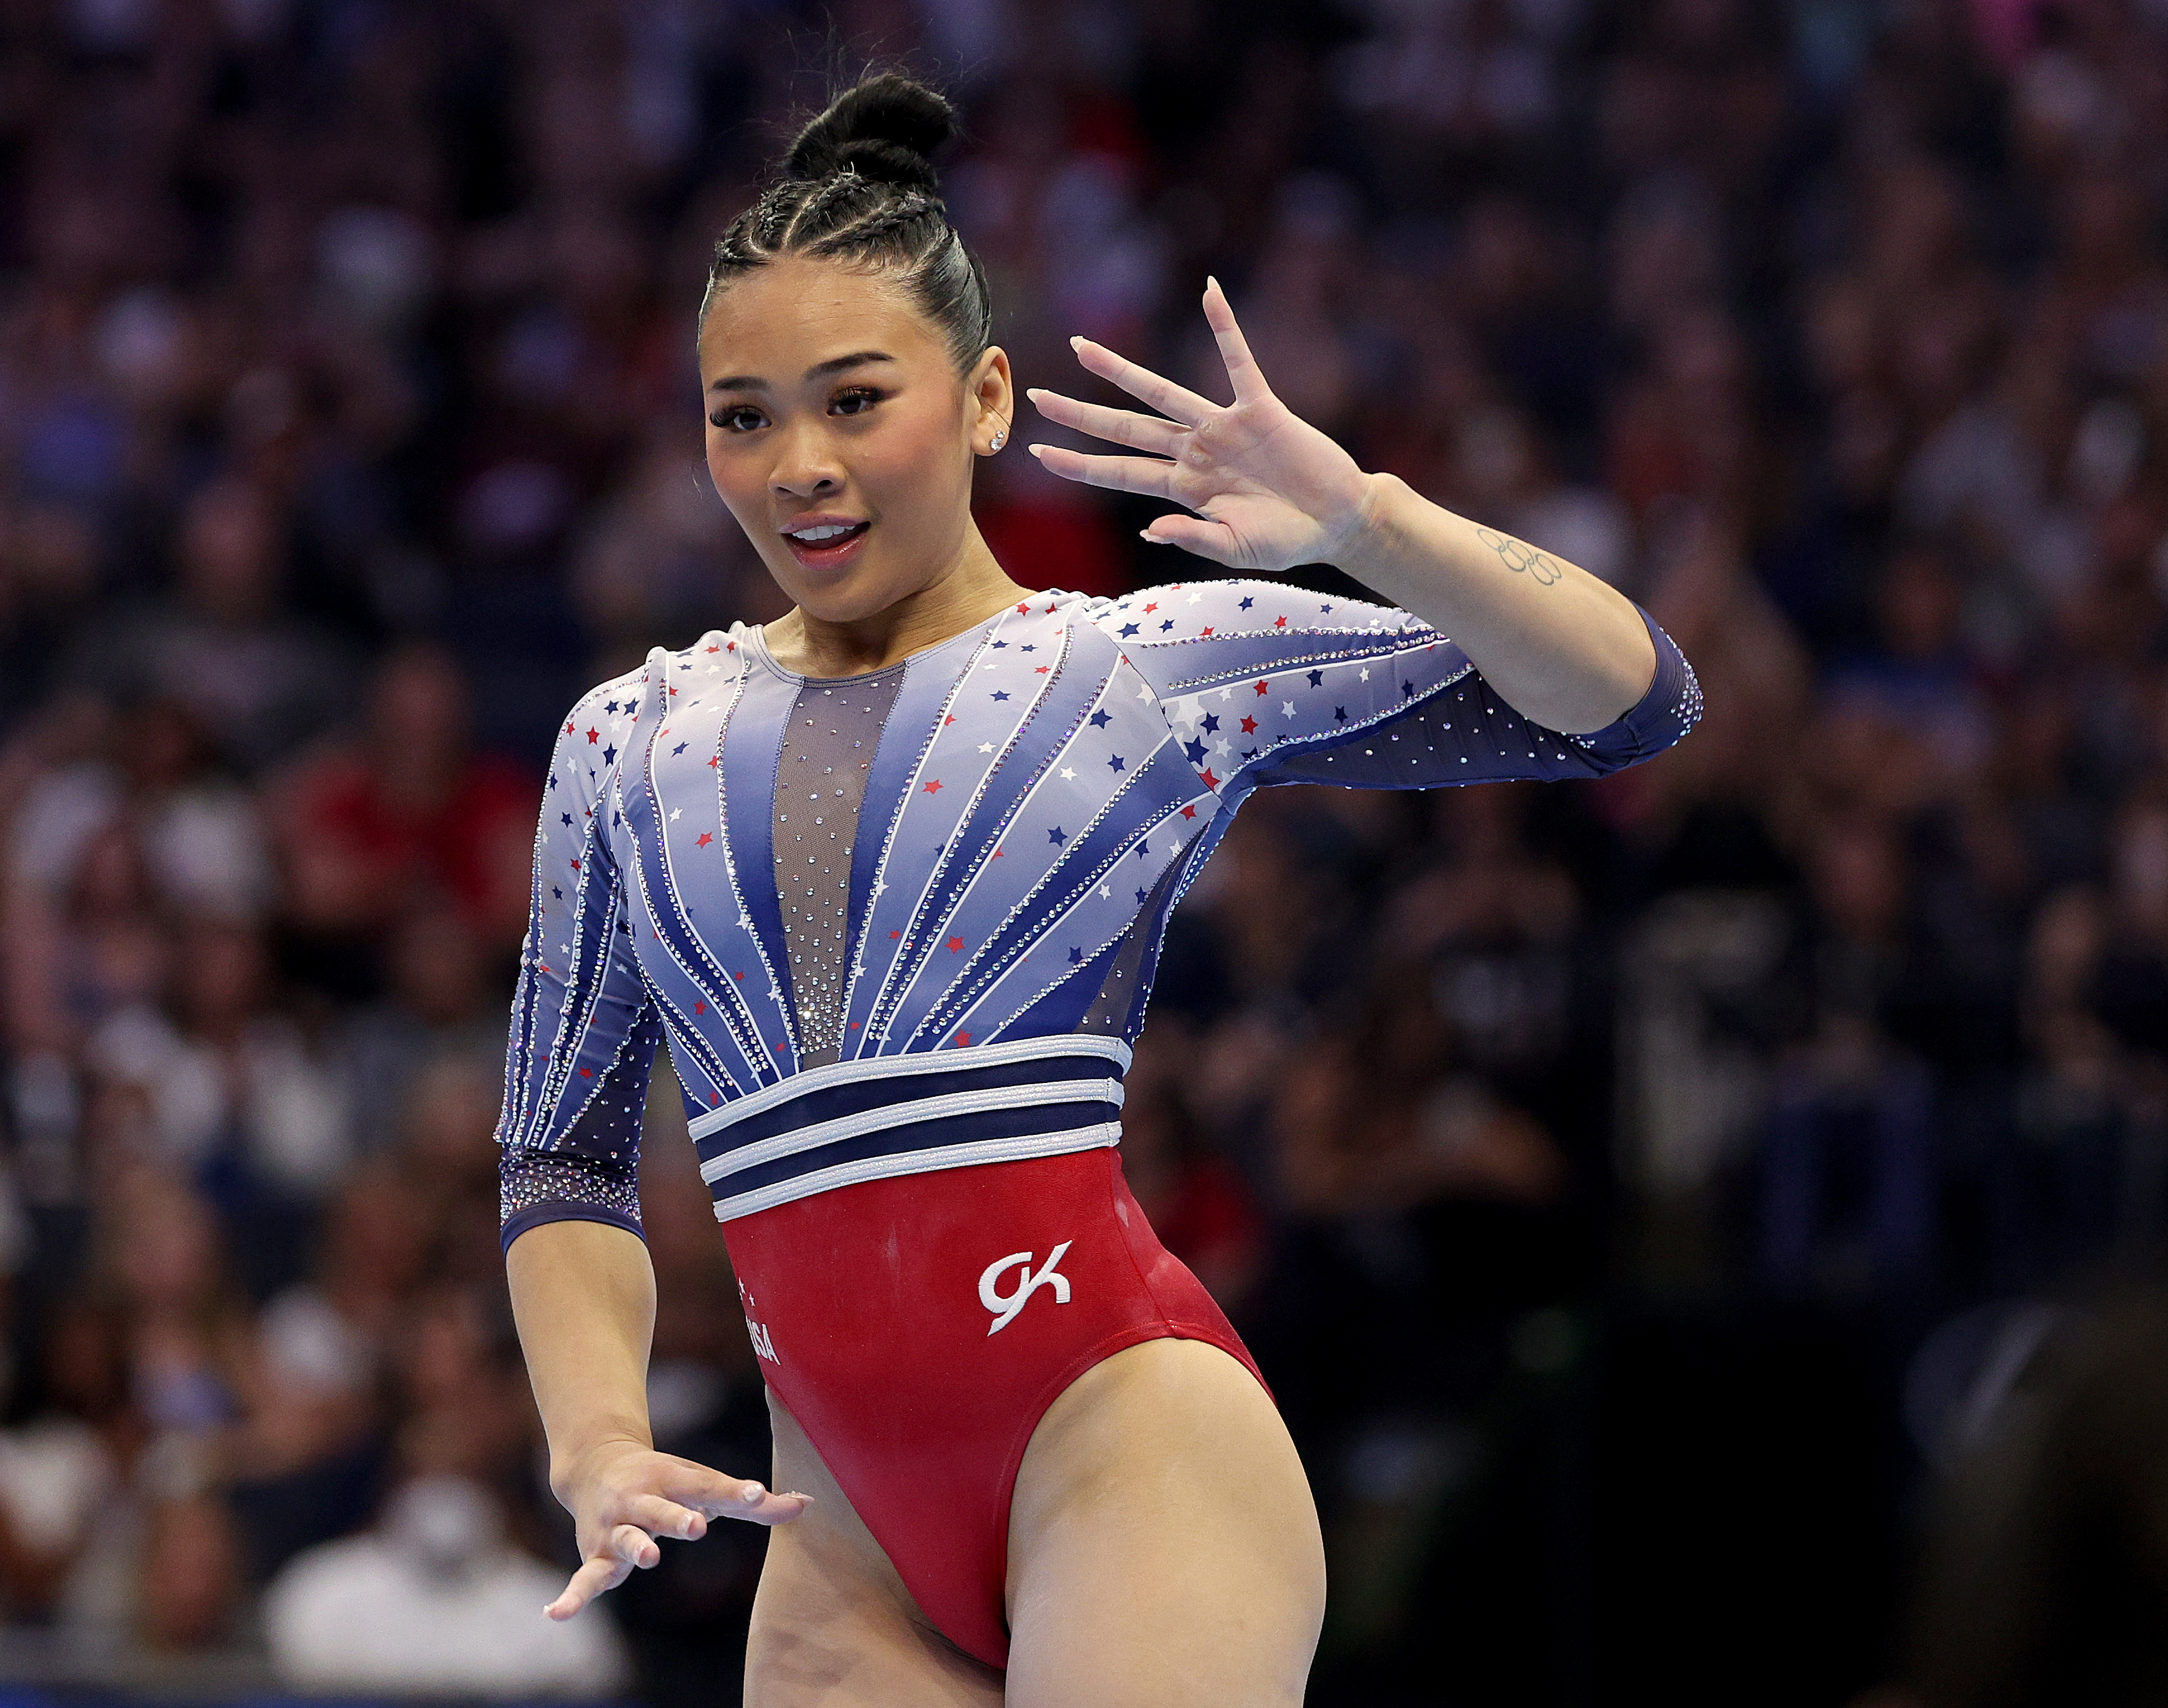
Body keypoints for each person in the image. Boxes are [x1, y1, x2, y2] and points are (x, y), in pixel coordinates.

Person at [499, 73, 1699, 1707]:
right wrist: (592, 1438)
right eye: (742, 413)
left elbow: (1630, 700)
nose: (798, 464)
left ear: (986, 396)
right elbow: (562, 1152)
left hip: (1124, 1443)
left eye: (856, 400)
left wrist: (1366, 519)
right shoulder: (624, 746)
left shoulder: (1130, 669)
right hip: (842, 1531)